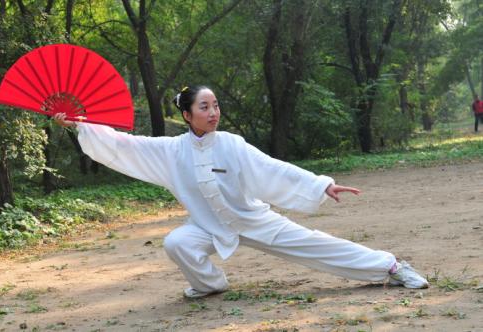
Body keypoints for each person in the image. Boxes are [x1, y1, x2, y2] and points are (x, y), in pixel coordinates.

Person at [53, 85, 428, 298]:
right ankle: (210, 285)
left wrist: (321, 183)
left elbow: (271, 168)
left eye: (216, 105)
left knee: (316, 245)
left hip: (253, 220)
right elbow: (125, 145)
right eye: (204, 107)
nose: (213, 112)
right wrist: (80, 124)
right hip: (207, 227)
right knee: (177, 242)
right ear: (187, 115)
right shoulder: (170, 151)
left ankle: (392, 266)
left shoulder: (232, 143)